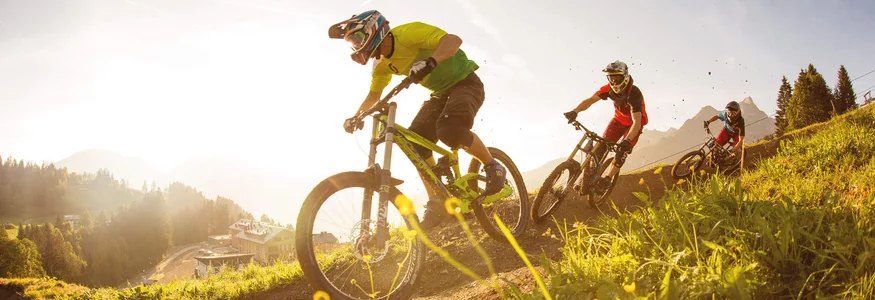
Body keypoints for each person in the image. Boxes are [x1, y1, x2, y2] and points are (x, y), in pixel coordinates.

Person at [328, 10, 506, 230]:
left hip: (466, 82)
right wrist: (356, 116)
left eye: (356, 39)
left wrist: (432, 60)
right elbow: (375, 95)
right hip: (440, 93)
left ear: (372, 28)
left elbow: (453, 40)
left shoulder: (407, 34)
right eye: (351, 43)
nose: (356, 46)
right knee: (414, 143)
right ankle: (438, 198)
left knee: (449, 130)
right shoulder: (382, 64)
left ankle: (492, 165)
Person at [563, 60, 648, 191]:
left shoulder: (634, 94)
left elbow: (636, 123)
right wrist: (575, 111)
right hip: (618, 121)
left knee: (621, 152)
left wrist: (627, 140)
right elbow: (590, 100)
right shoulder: (608, 89)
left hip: (633, 126)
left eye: (616, 78)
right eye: (610, 78)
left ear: (625, 76)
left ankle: (607, 179)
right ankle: (588, 176)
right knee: (600, 147)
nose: (613, 82)